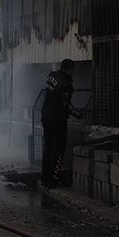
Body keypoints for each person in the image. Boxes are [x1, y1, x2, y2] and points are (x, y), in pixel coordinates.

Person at [41, 59, 83, 189]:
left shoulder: (51, 76)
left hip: (46, 116)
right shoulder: (66, 84)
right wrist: (78, 114)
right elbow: (65, 104)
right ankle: (53, 180)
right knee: (59, 151)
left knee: (47, 148)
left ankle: (45, 178)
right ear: (70, 69)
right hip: (57, 120)